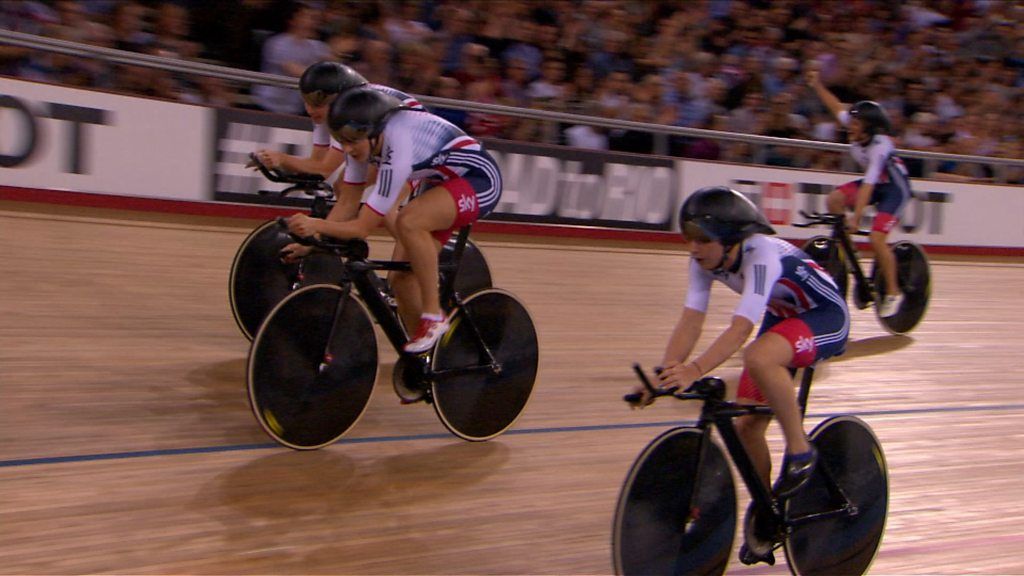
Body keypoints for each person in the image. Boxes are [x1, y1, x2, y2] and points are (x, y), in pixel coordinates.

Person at [631, 186, 849, 563]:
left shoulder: (761, 255)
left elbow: (740, 329)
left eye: (703, 240)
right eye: (689, 239)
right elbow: (691, 321)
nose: (693, 248)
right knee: (747, 426)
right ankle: (768, 513)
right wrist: (664, 375)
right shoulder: (702, 261)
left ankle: (801, 451)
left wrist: (695, 369)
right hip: (783, 316)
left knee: (759, 357)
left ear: (732, 240)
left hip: (825, 316)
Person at [286, 87, 502, 353]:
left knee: (409, 221)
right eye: (342, 141)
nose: (348, 149)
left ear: (374, 133)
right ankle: (425, 359)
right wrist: (312, 242)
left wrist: (317, 224)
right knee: (400, 279)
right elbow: (347, 203)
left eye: (353, 141)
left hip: (480, 180)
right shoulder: (364, 143)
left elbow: (361, 228)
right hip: (443, 181)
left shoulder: (397, 149)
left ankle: (434, 316)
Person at [255, 61, 424, 265]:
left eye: (317, 104)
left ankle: (418, 253)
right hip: (384, 140)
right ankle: (350, 240)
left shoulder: (350, 115)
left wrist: (282, 159)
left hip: (414, 142)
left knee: (386, 207)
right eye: (306, 102)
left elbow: (324, 168)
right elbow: (318, 165)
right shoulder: (333, 113)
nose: (309, 110)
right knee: (343, 187)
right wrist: (316, 242)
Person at [806, 68, 913, 317]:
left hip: (895, 190)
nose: (849, 127)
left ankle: (894, 292)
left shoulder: (880, 147)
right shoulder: (859, 127)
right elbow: (835, 107)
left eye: (855, 124)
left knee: (876, 238)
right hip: (877, 184)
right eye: (851, 122)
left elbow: (868, 185)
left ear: (869, 128)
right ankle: (849, 253)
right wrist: (817, 84)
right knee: (834, 200)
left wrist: (856, 218)